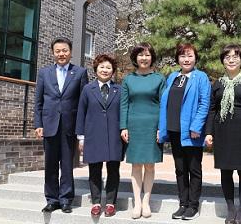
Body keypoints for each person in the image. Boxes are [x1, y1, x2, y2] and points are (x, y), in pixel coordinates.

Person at [205, 44, 241, 224]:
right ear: (222, 60)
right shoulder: (218, 83)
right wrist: (209, 133)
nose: (231, 59)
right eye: (227, 56)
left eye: (235, 56)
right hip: (222, 131)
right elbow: (212, 110)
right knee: (226, 171)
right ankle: (231, 209)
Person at [34, 37, 88, 214]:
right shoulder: (44, 73)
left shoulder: (79, 73)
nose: (61, 54)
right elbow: (38, 102)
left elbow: (83, 103)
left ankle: (65, 199)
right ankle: (51, 199)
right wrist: (38, 124)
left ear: (70, 52)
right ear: (53, 53)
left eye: (64, 50)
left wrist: (81, 130)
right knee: (50, 164)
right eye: (58, 51)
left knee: (66, 164)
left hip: (69, 126)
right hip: (49, 125)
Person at [158, 43, 211, 220]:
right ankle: (183, 203)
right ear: (177, 59)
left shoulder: (200, 77)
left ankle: (193, 205)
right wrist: (162, 127)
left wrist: (197, 126)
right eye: (182, 56)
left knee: (194, 168)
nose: (186, 59)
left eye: (189, 56)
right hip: (174, 130)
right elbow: (165, 102)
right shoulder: (172, 76)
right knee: (180, 169)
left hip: (191, 131)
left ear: (195, 58)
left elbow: (205, 103)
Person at [120, 42, 166, 219]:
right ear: (135, 57)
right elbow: (124, 105)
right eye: (140, 55)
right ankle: (137, 203)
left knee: (150, 164)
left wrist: (161, 128)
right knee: (136, 165)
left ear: (152, 57)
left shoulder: (160, 79)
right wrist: (123, 126)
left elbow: (164, 106)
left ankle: (146, 201)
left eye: (147, 55)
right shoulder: (128, 79)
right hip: (133, 125)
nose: (144, 58)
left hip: (153, 125)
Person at [76, 54, 123, 217]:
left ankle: (110, 203)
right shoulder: (88, 89)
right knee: (94, 170)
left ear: (113, 71)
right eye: (102, 67)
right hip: (93, 135)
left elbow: (123, 112)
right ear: (96, 69)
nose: (105, 70)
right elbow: (81, 113)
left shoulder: (120, 90)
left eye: (108, 67)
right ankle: (96, 202)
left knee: (113, 170)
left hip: (114, 135)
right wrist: (80, 136)